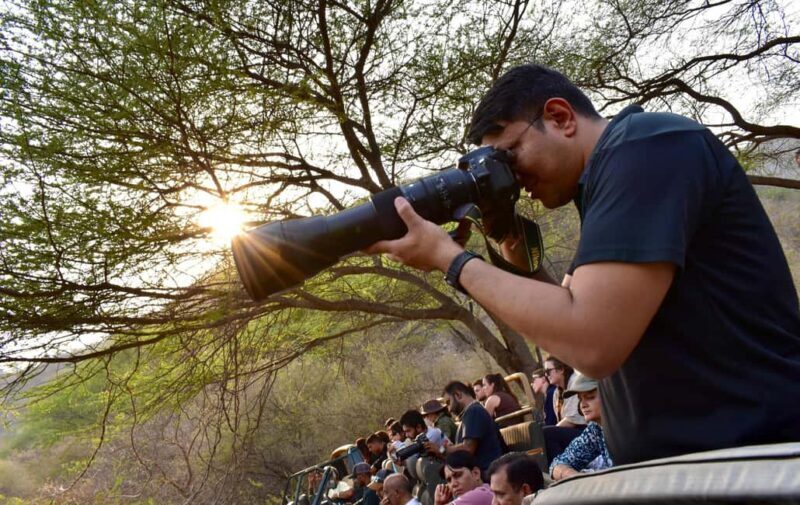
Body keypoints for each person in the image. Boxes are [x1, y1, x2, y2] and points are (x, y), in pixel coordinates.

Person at [367, 63, 800, 464]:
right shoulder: (604, 181)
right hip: (702, 468)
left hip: (752, 462)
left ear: (560, 117)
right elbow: (566, 320)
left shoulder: (647, 146)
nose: (510, 178)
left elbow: (591, 340)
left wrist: (450, 258)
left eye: (509, 157)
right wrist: (507, 237)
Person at [549, 374, 613, 480]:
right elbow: (557, 464)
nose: (583, 405)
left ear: (609, 394)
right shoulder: (595, 429)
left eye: (590, 397)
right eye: (580, 399)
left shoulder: (627, 424)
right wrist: (577, 477)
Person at [439, 381, 504, 478]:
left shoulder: (474, 411)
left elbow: (468, 448)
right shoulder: (469, 413)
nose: (449, 409)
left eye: (449, 402)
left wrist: (442, 450)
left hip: (488, 475)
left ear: (458, 395)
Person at [541, 357, 586, 465]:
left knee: (547, 433)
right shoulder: (557, 392)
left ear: (561, 369)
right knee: (545, 434)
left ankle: (561, 467)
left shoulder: (575, 383)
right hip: (573, 431)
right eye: (544, 372)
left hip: (585, 430)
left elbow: (572, 420)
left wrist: (549, 431)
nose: (546, 375)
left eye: (548, 371)